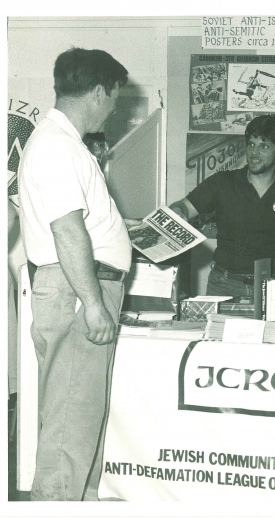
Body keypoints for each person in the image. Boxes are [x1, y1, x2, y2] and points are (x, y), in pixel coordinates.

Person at [17, 48, 130, 500]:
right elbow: (67, 231)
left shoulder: (62, 144)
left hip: (76, 287)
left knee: (80, 433)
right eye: (115, 96)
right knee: (68, 437)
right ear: (99, 92)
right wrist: (93, 303)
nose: (116, 107)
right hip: (77, 291)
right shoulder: (56, 146)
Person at [170, 115, 275, 298]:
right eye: (251, 144)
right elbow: (184, 207)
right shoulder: (222, 182)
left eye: (264, 146)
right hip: (224, 285)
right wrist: (179, 211)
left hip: (274, 287)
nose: (254, 152)